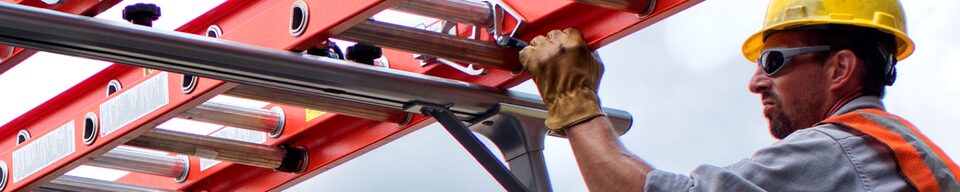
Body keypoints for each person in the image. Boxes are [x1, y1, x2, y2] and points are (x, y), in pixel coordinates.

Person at [518, 0, 960, 191]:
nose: (755, 82)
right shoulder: (889, 156)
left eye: (774, 62)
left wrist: (573, 101)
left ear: (840, 68)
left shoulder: (839, 153)